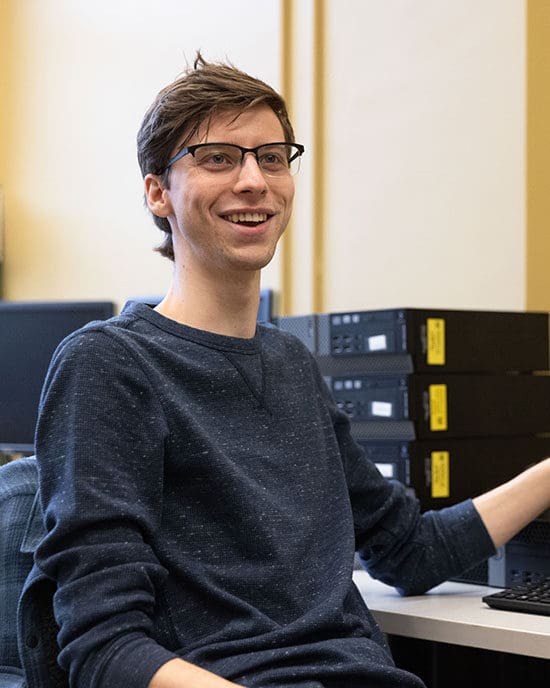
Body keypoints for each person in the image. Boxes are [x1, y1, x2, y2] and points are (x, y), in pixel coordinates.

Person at [34, 53, 550, 688]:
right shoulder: (109, 363)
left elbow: (408, 550)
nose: (254, 180)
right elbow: (103, 647)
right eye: (218, 157)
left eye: (272, 157)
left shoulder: (289, 364)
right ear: (157, 191)